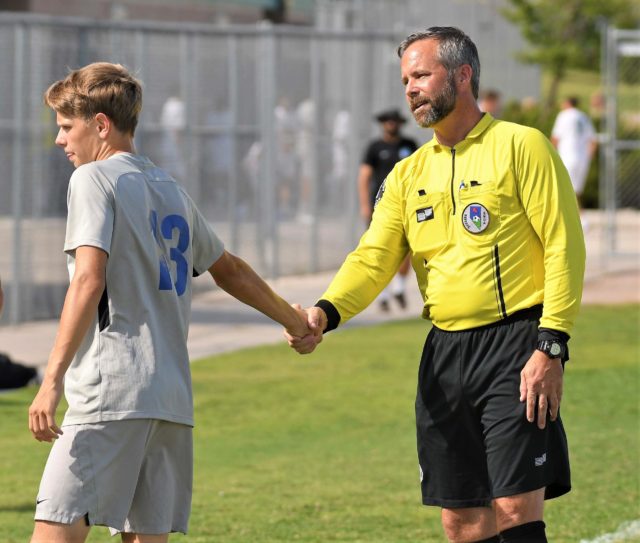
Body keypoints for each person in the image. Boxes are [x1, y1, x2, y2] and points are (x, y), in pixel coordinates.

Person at [287, 27, 585, 543]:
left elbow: (563, 244)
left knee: (515, 505)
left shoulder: (521, 146)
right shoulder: (406, 175)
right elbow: (374, 257)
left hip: (515, 345)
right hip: (444, 355)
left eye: (422, 74)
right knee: (461, 521)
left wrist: (551, 342)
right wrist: (326, 311)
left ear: (463, 75)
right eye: (406, 79)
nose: (410, 89)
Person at [29, 62, 310, 543]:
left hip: (108, 394)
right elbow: (230, 269)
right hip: (171, 400)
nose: (60, 141)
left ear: (100, 124)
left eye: (65, 127)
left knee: (55, 532)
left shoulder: (92, 180)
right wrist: (297, 321)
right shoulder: (170, 187)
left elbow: (88, 279)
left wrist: (50, 379)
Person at [358, 108, 418, 311]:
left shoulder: (409, 145)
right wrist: (365, 205)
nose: (391, 124)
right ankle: (382, 295)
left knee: (407, 249)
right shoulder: (375, 147)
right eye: (387, 121)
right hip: (381, 206)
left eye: (394, 121)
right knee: (381, 251)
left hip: (407, 205)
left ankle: (399, 289)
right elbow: (365, 176)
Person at [551, 96, 598, 214]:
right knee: (577, 190)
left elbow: (555, 137)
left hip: (567, 155)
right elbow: (592, 140)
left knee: (564, 188)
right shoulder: (583, 116)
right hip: (582, 157)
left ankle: (568, 215)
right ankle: (579, 216)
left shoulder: (564, 115)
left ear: (567, 103)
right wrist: (590, 156)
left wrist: (551, 153)